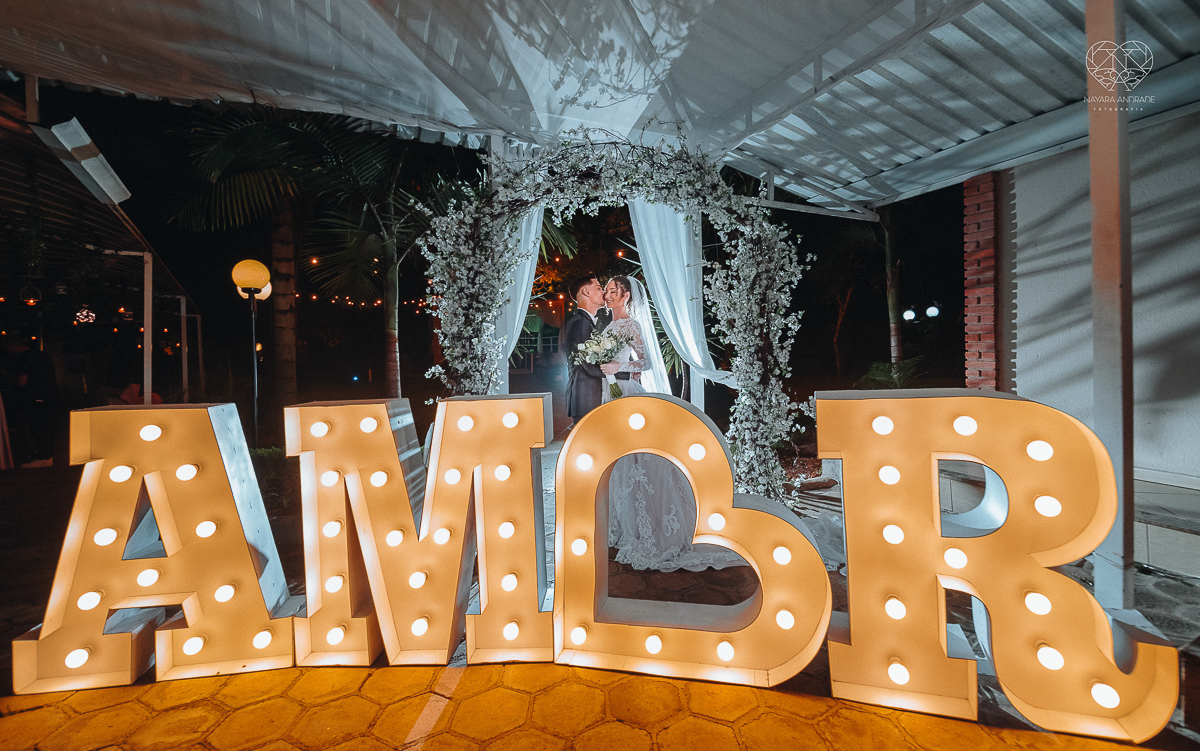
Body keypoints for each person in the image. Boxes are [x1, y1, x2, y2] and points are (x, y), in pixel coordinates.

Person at [598, 275, 745, 573]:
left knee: (636, 457)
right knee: (617, 456)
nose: (607, 295)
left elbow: (646, 362)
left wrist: (619, 366)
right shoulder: (609, 326)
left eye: (613, 291)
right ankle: (623, 523)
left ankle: (649, 525)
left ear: (626, 296)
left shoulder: (631, 325)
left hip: (625, 391)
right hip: (610, 391)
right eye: (607, 291)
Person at [562, 274, 611, 427]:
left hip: (589, 397)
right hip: (586, 398)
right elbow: (588, 367)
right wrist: (623, 373)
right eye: (599, 288)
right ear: (586, 292)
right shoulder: (580, 323)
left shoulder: (585, 322)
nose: (604, 292)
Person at [5, 335, 58, 468]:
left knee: (38, 427)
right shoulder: (43, 355)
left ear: (13, 346)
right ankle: (44, 455)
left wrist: (7, 376)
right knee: (46, 427)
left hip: (35, 396)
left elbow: (21, 382)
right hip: (50, 395)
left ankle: (44, 457)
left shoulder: (24, 358)